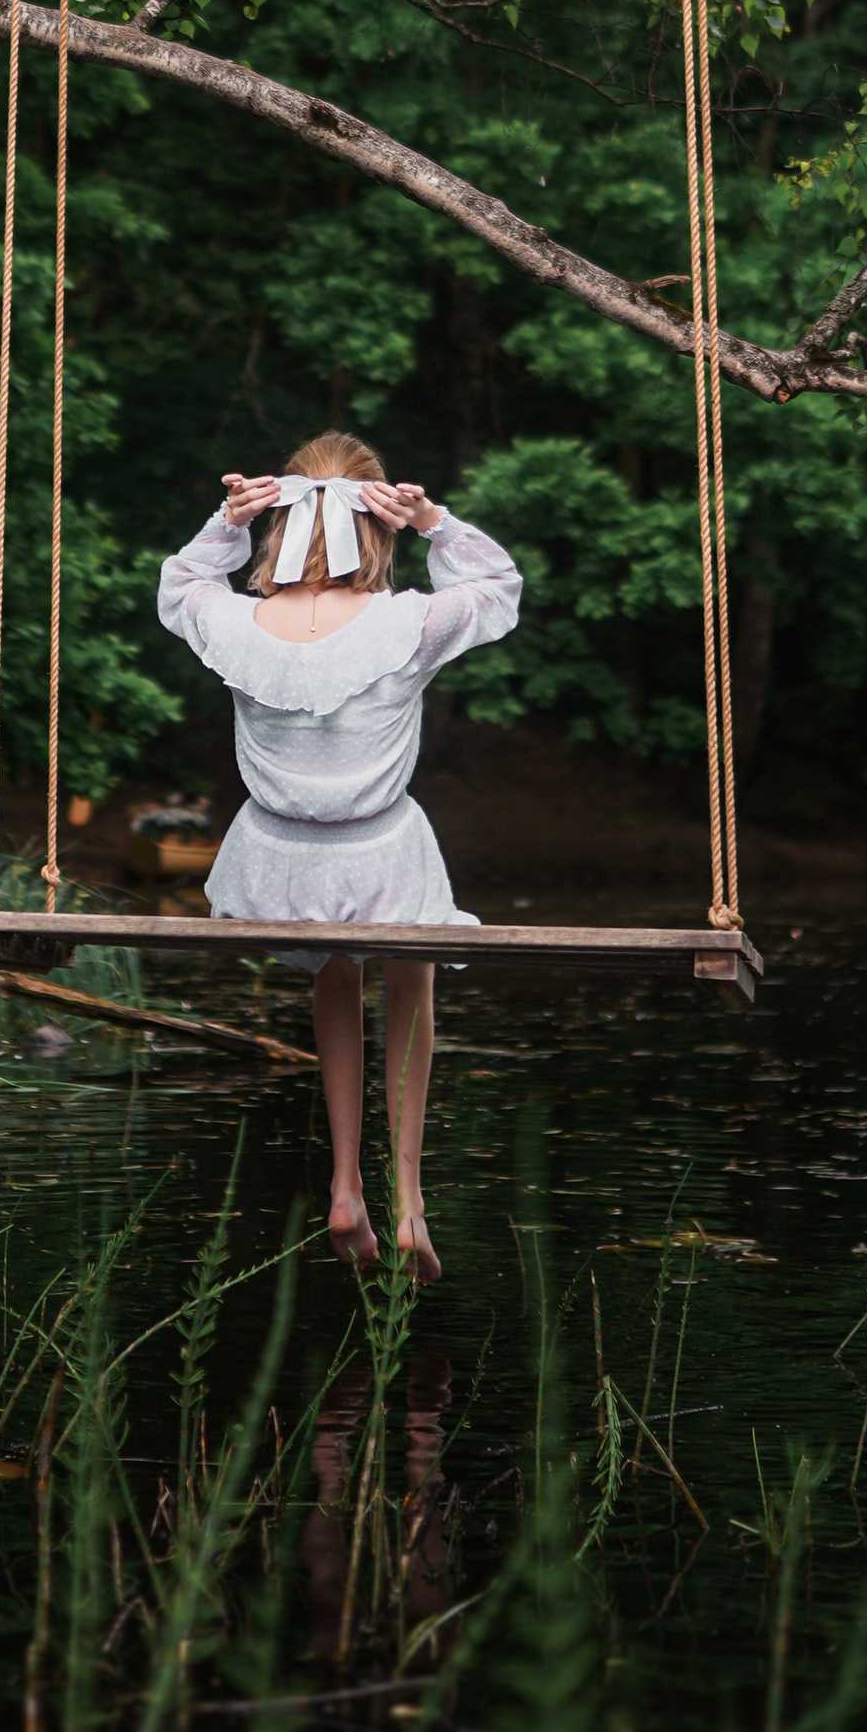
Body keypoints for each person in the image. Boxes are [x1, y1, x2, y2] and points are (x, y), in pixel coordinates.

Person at [156, 433, 522, 1284]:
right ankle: (407, 1196)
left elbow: (179, 586)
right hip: (383, 854)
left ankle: (344, 1183)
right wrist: (435, 519)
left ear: (276, 518)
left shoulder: (229, 622)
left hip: (274, 864)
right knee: (410, 969)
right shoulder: (411, 623)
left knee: (333, 969)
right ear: (379, 525)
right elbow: (497, 587)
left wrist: (223, 523)